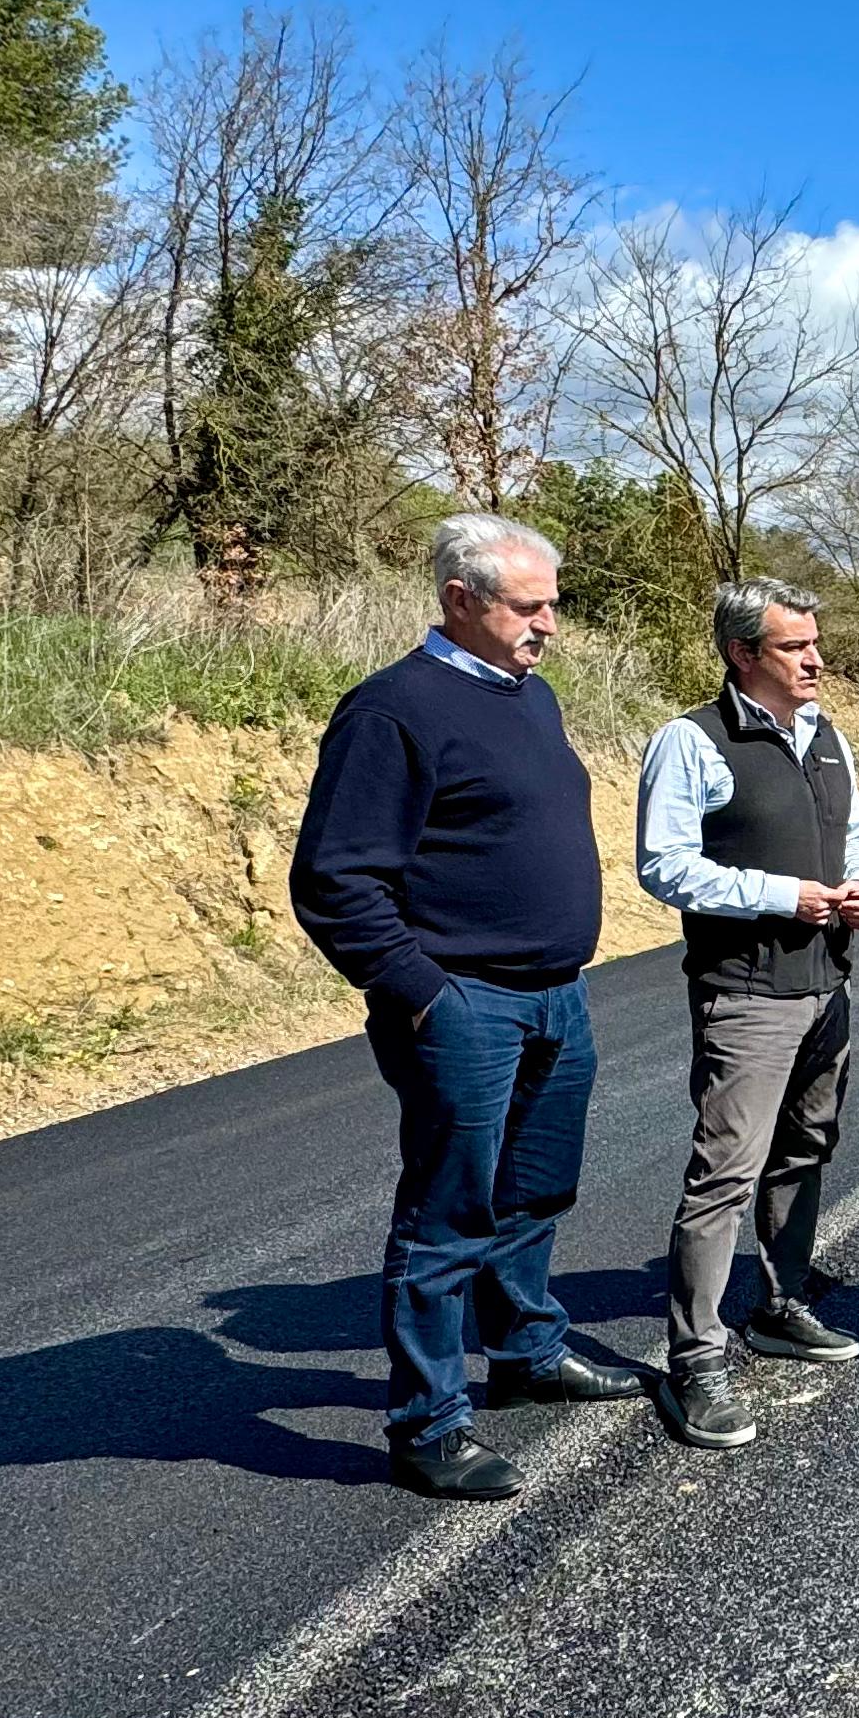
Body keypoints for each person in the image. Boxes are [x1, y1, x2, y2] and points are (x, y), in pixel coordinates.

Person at [289, 514, 641, 1502]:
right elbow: (334, 881)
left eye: (554, 607)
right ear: (459, 601)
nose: (549, 626)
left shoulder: (534, 700)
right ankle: (427, 1425)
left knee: (536, 1191)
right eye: (529, 608)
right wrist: (422, 996)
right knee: (447, 1213)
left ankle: (526, 1353)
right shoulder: (391, 712)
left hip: (557, 998)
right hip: (464, 1005)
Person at [634, 579, 859, 1450]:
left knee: (807, 1147)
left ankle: (780, 1305)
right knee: (724, 1176)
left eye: (815, 642)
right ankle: (694, 1359)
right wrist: (785, 896)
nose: (815, 658)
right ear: (744, 655)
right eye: (794, 646)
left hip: (826, 983)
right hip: (743, 992)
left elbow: (853, 839)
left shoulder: (825, 737)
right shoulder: (691, 740)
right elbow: (662, 866)